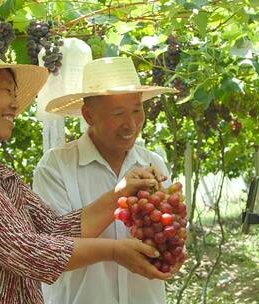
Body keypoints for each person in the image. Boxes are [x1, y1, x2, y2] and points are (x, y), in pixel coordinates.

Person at [0, 43, 171, 304]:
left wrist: (120, 193)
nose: (14, 104)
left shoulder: (0, 174)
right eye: (6, 91)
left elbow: (57, 230)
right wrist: (114, 251)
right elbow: (25, 250)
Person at [34, 57, 179, 304]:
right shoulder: (56, 167)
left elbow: (166, 231)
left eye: (136, 110)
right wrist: (119, 196)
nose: (131, 124)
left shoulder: (153, 163)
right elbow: (51, 250)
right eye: (118, 113)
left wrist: (171, 247)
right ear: (88, 115)